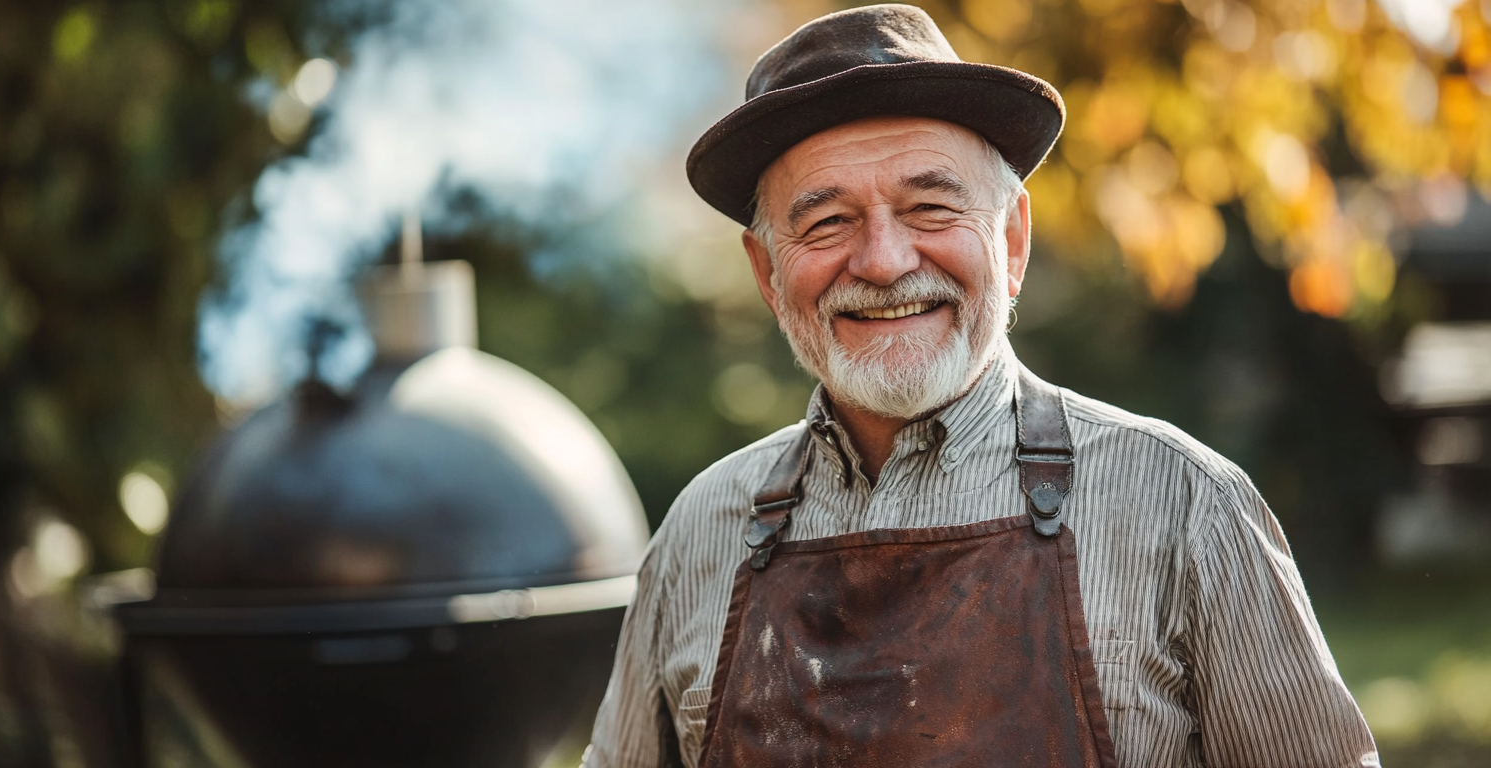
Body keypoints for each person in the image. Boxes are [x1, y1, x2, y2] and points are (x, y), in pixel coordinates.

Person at [584, 5, 1378, 767]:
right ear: (766, 273)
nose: (885, 261)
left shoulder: (1184, 504)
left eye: (930, 206)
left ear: (1012, 239)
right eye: (827, 223)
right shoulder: (699, 535)